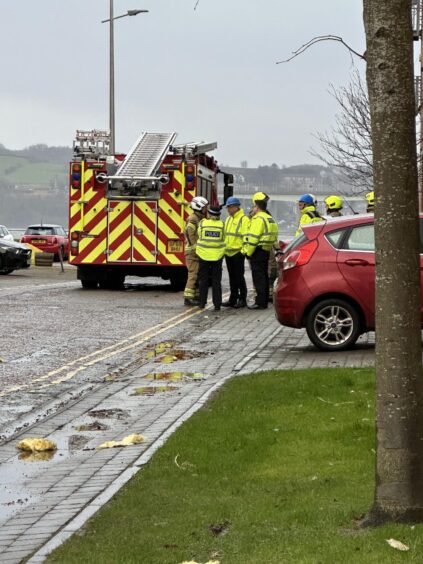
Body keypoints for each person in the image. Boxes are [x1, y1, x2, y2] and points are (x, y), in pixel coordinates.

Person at [243, 199, 278, 309]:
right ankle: (264, 300)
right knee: (264, 276)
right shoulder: (270, 218)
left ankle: (260, 302)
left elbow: (254, 238)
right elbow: (274, 235)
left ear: (257, 207)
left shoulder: (258, 219)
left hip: (257, 251)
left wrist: (248, 252)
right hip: (266, 250)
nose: (253, 209)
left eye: (254, 207)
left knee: (258, 278)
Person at [196, 206, 225, 311]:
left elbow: (199, 234)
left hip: (203, 255)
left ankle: (202, 303)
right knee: (216, 281)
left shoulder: (203, 223)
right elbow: (224, 238)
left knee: (203, 281)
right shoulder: (222, 225)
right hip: (217, 256)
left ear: (209, 214)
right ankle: (217, 305)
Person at [222, 196, 249, 308]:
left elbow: (246, 237)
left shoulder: (244, 219)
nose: (228, 209)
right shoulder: (228, 219)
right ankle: (232, 299)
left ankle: (242, 299)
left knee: (239, 277)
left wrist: (243, 252)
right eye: (227, 207)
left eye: (230, 207)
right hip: (228, 253)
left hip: (238, 253)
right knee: (232, 277)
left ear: (237, 207)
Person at [183, 196, 208, 306]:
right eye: (205, 207)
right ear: (199, 207)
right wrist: (195, 247)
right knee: (193, 274)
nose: (206, 209)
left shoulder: (200, 218)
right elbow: (189, 233)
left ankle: (196, 296)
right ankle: (188, 298)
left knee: (198, 273)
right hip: (193, 252)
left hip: (197, 251)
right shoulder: (193, 218)